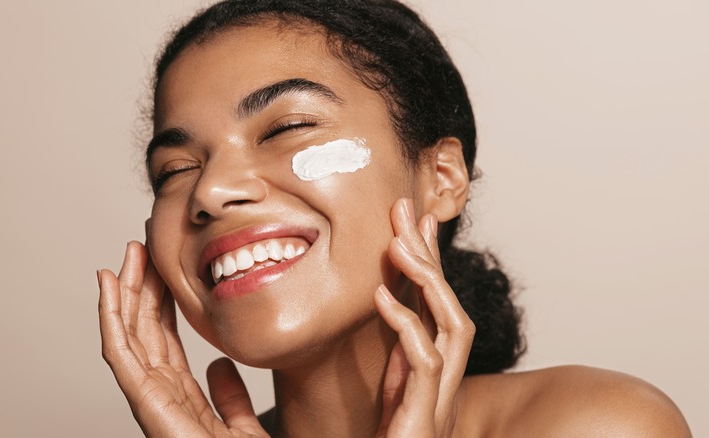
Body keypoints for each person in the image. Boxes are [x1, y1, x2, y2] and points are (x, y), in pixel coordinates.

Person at [97, 0, 691, 436]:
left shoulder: (598, 424)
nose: (211, 190)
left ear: (441, 180)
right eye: (174, 169)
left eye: (286, 128)